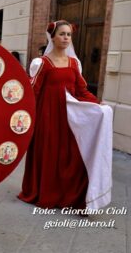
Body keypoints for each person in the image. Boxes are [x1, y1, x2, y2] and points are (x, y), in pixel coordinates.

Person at [18, 20, 113, 210]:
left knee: (69, 157)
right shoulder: (42, 63)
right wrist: (27, 117)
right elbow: (33, 92)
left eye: (68, 34)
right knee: (48, 154)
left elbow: (81, 90)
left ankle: (68, 196)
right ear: (52, 37)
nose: (66, 38)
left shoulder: (73, 63)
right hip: (47, 117)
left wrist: (97, 103)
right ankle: (45, 193)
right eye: (62, 34)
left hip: (69, 119)